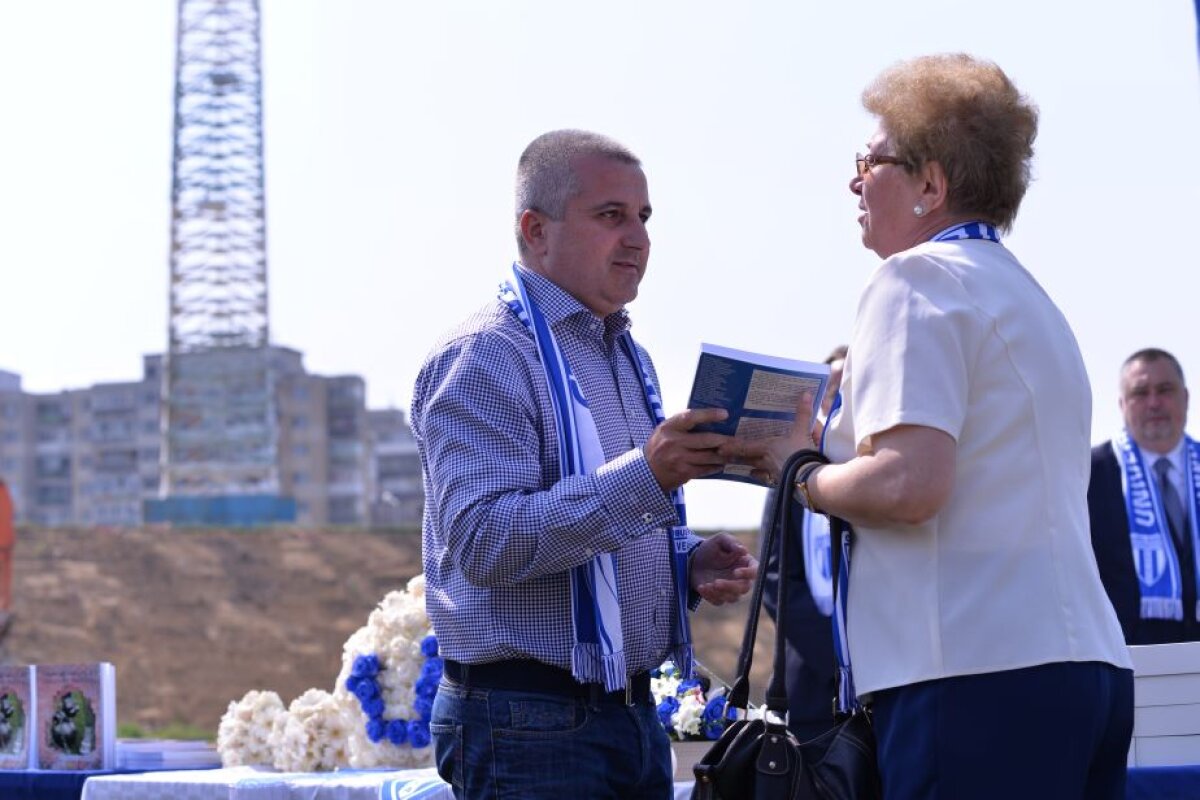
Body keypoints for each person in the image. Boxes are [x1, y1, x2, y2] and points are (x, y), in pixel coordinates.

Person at [733, 54, 1132, 799]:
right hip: (1087, 671)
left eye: (870, 159)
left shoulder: (912, 280)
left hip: (971, 677)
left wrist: (802, 468)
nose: (854, 180)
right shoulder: (1033, 299)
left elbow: (911, 484)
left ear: (931, 184)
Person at [411, 129, 757, 800]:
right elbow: (484, 542)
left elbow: (603, 527)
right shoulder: (486, 356)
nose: (638, 239)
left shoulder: (625, 356)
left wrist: (683, 561)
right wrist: (648, 478)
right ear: (535, 230)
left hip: (628, 716)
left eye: (644, 217)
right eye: (611, 216)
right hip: (526, 722)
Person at [760, 344, 845, 741]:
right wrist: (837, 659)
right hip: (812, 683)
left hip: (885, 676)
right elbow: (776, 578)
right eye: (832, 388)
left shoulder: (878, 467)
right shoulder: (794, 470)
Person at [1089, 348, 1200, 644]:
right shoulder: (1090, 474)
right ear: (1122, 404)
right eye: (1140, 393)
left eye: (1165, 390)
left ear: (1186, 398)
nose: (1154, 403)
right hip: (1132, 663)